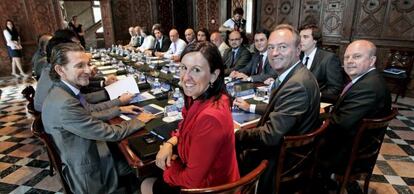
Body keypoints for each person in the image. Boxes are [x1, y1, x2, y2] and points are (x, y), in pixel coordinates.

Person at [42, 42, 153, 193]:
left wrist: (119, 107)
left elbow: (90, 109)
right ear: (60, 70)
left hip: (86, 154)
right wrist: (138, 121)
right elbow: (110, 133)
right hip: (88, 173)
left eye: (88, 64)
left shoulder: (63, 90)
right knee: (143, 164)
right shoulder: (65, 103)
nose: (88, 70)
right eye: (80, 66)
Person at [140, 42, 240, 194]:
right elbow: (185, 127)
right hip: (199, 175)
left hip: (211, 187)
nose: (186, 78)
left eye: (196, 70)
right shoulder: (199, 96)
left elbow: (192, 181)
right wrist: (170, 143)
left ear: (214, 75)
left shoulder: (211, 117)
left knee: (146, 184)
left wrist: (166, 168)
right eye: (183, 68)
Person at [233, 24, 320, 194]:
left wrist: (237, 134)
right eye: (271, 47)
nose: (274, 53)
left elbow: (270, 136)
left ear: (298, 49)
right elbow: (278, 106)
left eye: (282, 47)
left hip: (283, 160)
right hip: (288, 150)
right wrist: (250, 107)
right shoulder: (296, 74)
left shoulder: (297, 85)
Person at [317, 40, 392, 190]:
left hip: (348, 152)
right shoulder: (367, 80)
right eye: (346, 57)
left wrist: (315, 118)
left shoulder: (368, 87)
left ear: (372, 60)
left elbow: (340, 124)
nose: (349, 61)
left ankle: (314, 184)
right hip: (355, 143)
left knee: (296, 143)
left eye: (357, 57)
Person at [299, 24, 344, 103]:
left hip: (317, 103)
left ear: (315, 40)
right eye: (300, 37)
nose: (300, 40)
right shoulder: (297, 56)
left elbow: (335, 88)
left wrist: (317, 95)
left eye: (305, 37)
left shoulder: (329, 58)